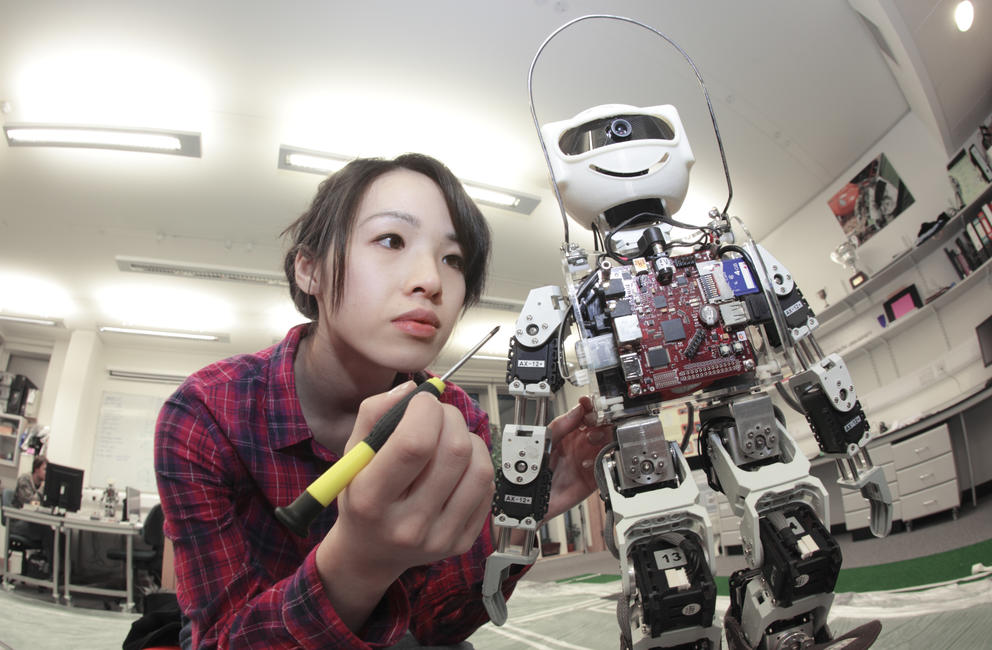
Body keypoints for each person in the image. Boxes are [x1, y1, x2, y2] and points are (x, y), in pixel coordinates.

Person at [155, 153, 610, 649]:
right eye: (390, 240)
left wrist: (521, 512)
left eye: (453, 260)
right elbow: (220, 640)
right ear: (308, 269)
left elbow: (437, 629)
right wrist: (360, 557)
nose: (432, 281)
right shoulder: (205, 413)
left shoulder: (459, 423)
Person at [9, 455, 54, 575]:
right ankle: (52, 572)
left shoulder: (41, 485)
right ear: (36, 469)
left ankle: (55, 570)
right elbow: (30, 502)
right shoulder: (25, 480)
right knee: (47, 533)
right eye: (45, 469)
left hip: (31, 523)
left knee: (57, 534)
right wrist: (43, 489)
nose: (47, 473)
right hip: (17, 523)